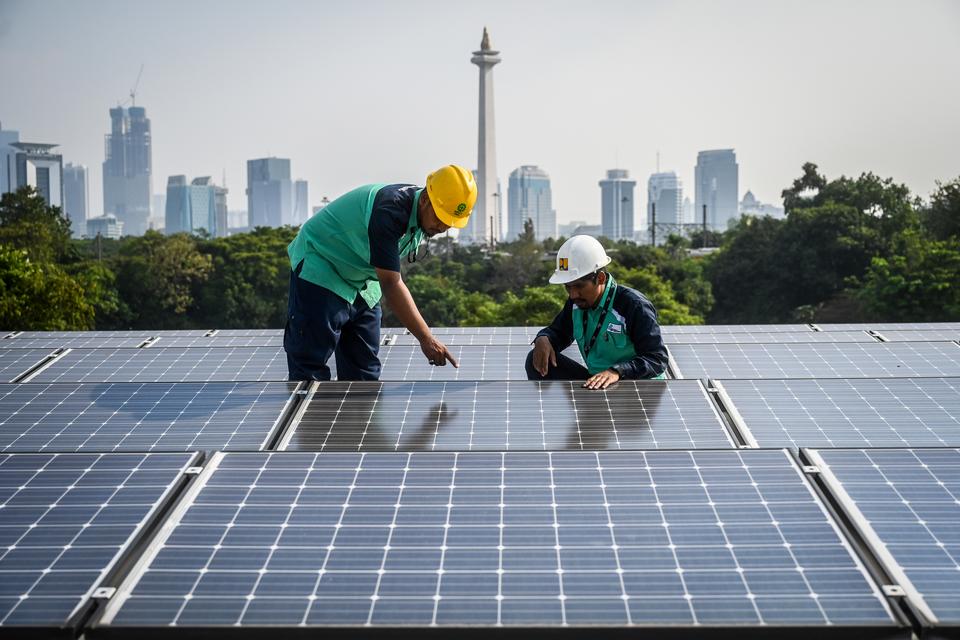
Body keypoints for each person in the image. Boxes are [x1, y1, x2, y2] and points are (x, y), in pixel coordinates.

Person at [284, 164, 477, 381]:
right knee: (310, 368)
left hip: (364, 282)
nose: (443, 227)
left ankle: (358, 415)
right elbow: (391, 284)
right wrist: (426, 339)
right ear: (425, 200)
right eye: (441, 217)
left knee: (363, 371)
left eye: (450, 222)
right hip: (323, 267)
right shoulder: (390, 211)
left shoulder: (421, 215)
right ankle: (312, 416)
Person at [526, 235, 668, 389]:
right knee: (536, 359)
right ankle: (550, 411)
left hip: (636, 386)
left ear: (600, 278)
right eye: (568, 287)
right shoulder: (576, 303)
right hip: (598, 382)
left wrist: (618, 371)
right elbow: (558, 332)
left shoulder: (633, 306)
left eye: (579, 286)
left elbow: (657, 358)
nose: (573, 295)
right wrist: (544, 337)